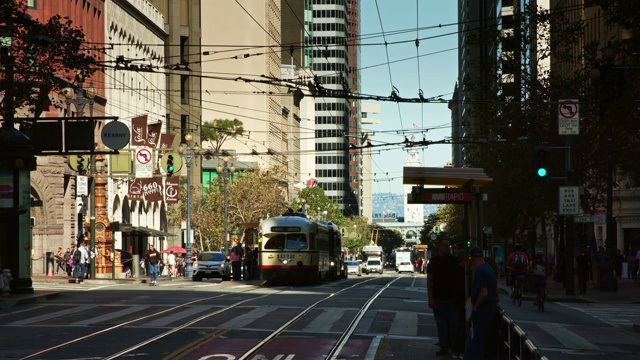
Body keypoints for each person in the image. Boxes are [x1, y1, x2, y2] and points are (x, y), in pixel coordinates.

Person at [426, 239, 459, 357]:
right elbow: (429, 280)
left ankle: (452, 346)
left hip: (452, 298)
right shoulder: (434, 261)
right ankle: (444, 347)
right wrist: (431, 298)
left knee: (453, 324)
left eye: (449, 246)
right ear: (439, 247)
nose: (447, 248)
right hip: (439, 298)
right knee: (441, 325)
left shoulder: (453, 260)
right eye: (445, 246)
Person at [463, 247, 497, 360]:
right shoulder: (489, 268)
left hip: (482, 312)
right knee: (479, 343)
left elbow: (483, 293)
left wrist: (475, 307)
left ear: (471, 258)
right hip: (489, 310)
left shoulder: (480, 271)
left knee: (474, 343)